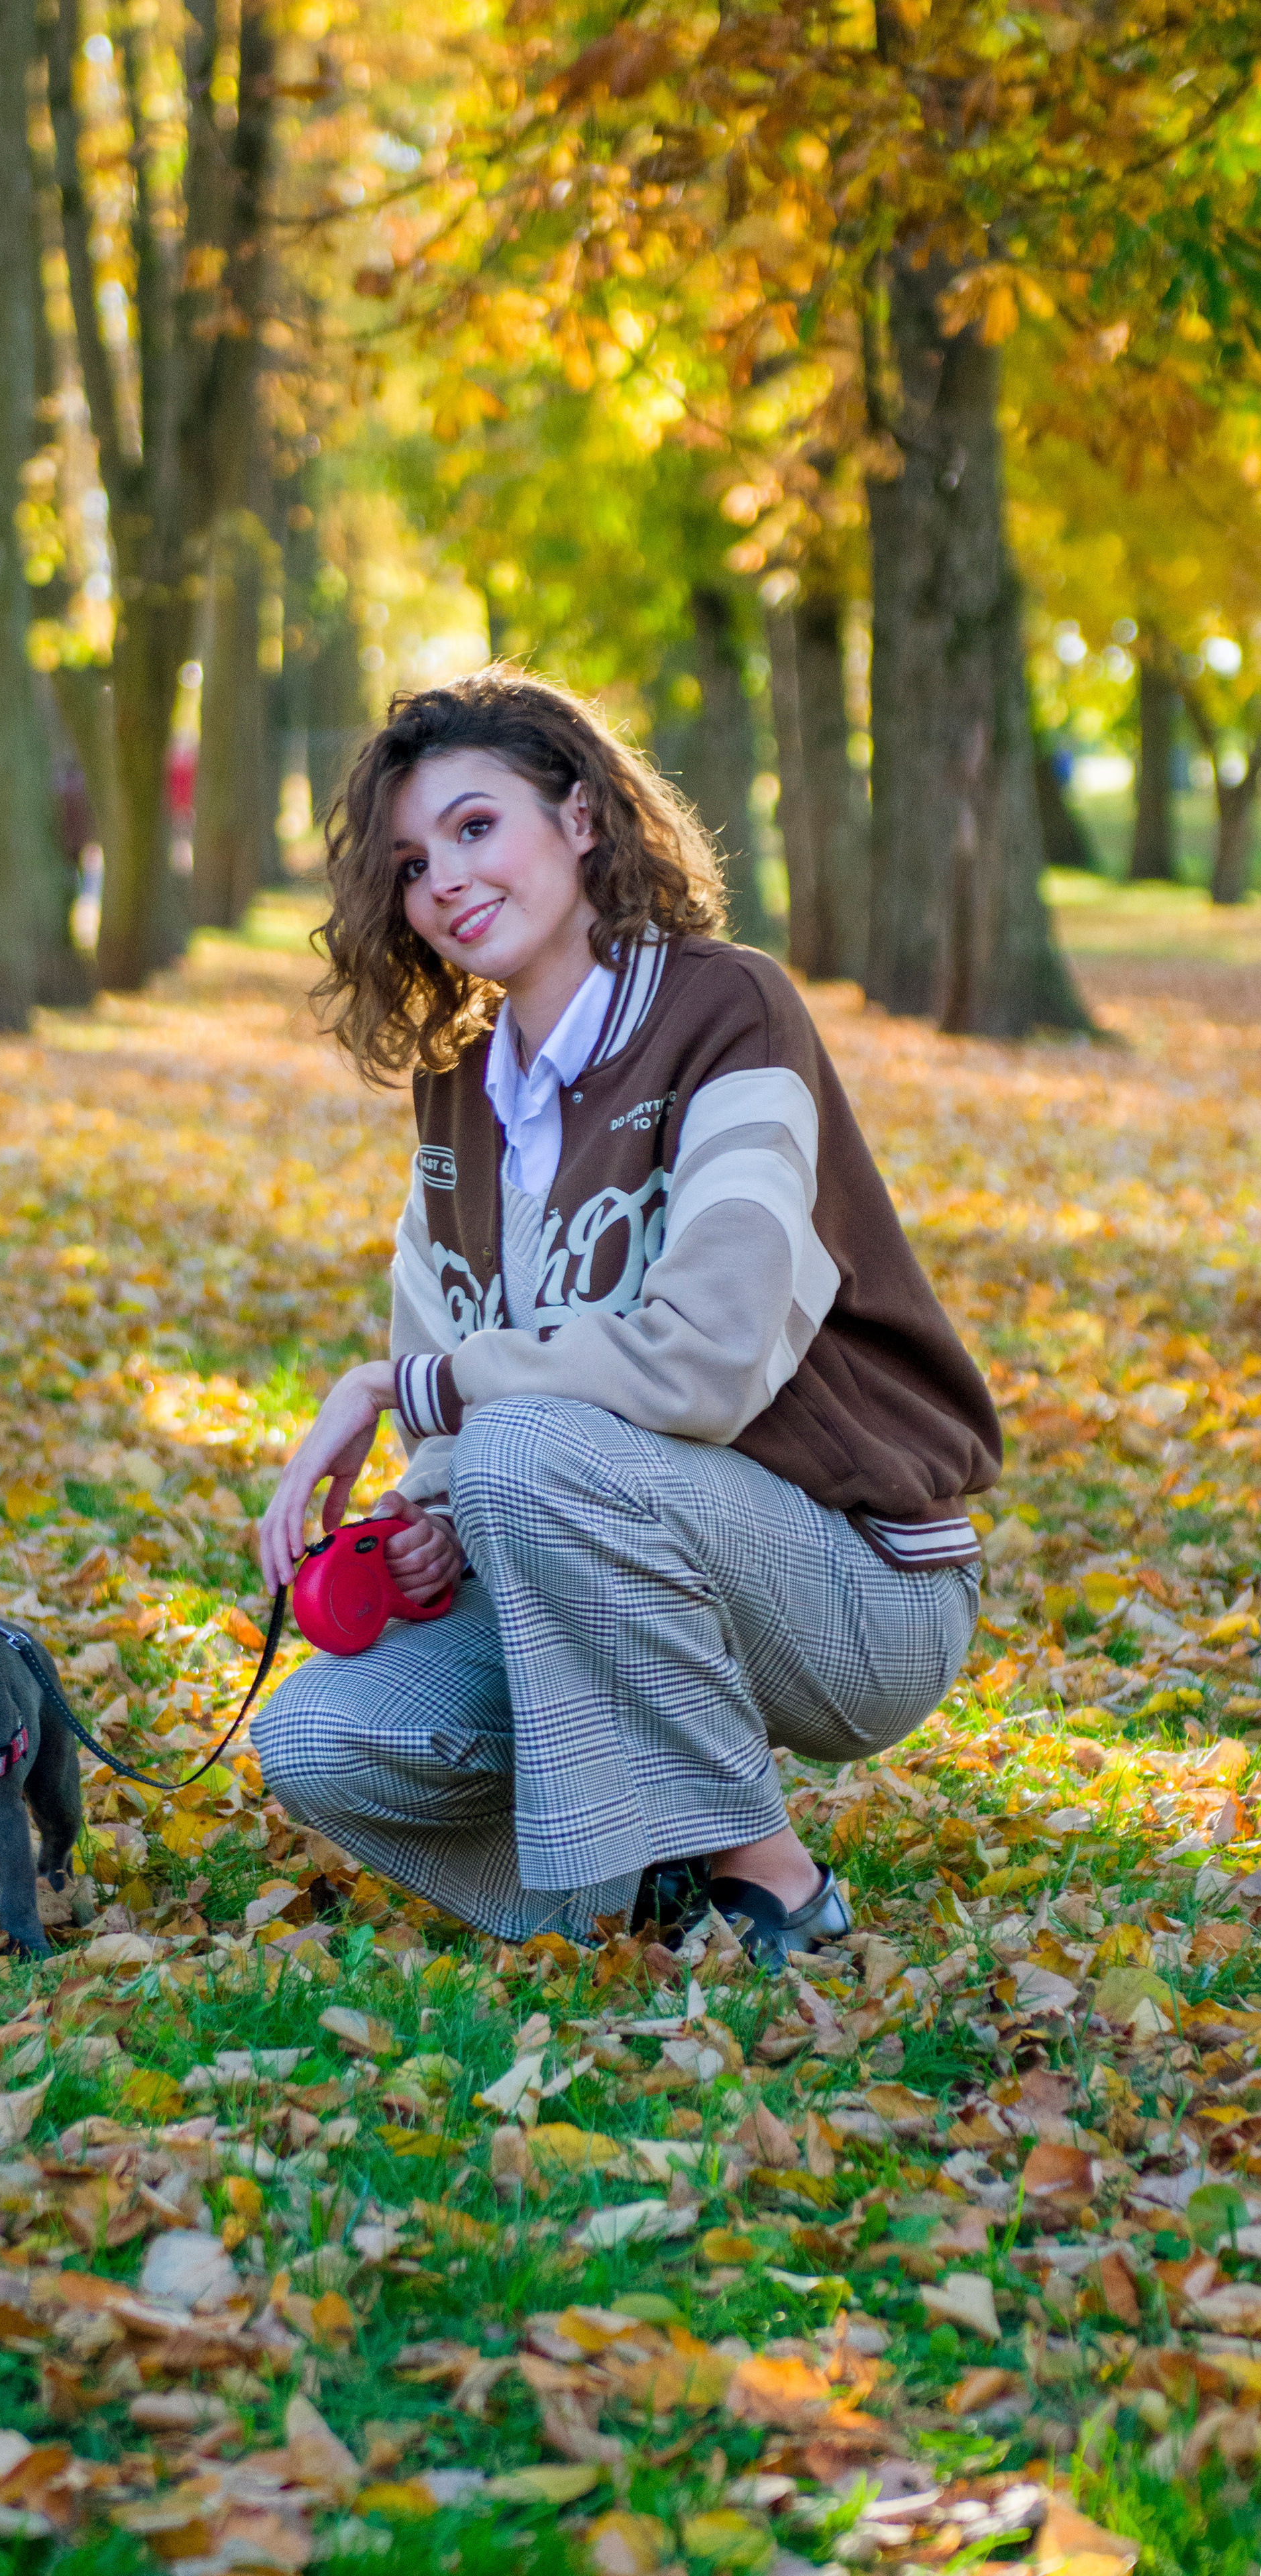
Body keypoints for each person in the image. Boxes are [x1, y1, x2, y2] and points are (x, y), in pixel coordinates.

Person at [252, 668, 1001, 1968]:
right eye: (414, 862)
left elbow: (702, 1361)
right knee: (313, 1740)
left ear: (582, 818)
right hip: (600, 1561)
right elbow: (458, 1391)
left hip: (853, 1578)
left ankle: (774, 1889)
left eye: (478, 827)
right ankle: (630, 1894)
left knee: (521, 1449)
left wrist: (395, 1394)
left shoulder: (729, 1014)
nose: (446, 882)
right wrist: (426, 1523)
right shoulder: (455, 1101)